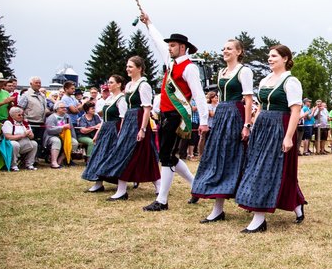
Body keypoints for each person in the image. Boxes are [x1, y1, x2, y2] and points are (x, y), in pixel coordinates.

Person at [139, 12, 209, 211]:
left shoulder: (189, 68)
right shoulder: (170, 62)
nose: (169, 48)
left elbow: (199, 95)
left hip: (178, 116)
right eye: (169, 45)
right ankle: (196, 186)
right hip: (166, 115)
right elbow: (157, 41)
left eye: (173, 45)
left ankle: (162, 200)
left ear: (182, 47)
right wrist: (149, 23)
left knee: (167, 156)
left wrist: (203, 120)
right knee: (167, 155)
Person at [236, 45, 306, 233]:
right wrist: (252, 125)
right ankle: (297, 205)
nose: (269, 59)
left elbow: (296, 110)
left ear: (285, 58)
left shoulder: (290, 81)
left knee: (266, 169)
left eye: (274, 56)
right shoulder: (266, 79)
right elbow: (260, 107)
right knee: (262, 167)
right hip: (263, 127)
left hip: (279, 126)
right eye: (269, 56)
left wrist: (289, 137)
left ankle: (259, 219)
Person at [192, 39, 253, 223]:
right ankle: (217, 209)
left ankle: (248, 199)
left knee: (235, 158)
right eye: (224, 48)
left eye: (229, 48)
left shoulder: (244, 71)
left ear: (239, 51)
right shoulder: (221, 72)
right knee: (219, 157)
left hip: (235, 115)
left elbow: (248, 100)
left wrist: (246, 125)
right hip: (221, 114)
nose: (225, 51)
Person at [99, 56, 160, 201]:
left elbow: (146, 109)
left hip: (139, 120)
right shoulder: (129, 85)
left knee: (141, 154)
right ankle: (123, 189)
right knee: (125, 152)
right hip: (129, 120)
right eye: (127, 66)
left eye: (131, 66)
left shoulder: (144, 85)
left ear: (139, 68)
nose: (128, 69)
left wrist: (143, 129)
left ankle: (157, 184)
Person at [82, 75, 127, 193]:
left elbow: (123, 119)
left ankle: (119, 182)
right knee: (98, 155)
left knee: (109, 156)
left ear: (119, 84)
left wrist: (121, 134)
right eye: (109, 82)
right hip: (105, 129)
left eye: (111, 82)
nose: (109, 85)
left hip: (114, 130)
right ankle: (98, 183)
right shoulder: (109, 98)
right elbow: (104, 119)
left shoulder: (121, 99)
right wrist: (97, 133)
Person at [44, 101, 79, 168]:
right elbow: (49, 130)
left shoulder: (67, 117)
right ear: (57, 109)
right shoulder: (51, 117)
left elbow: (71, 129)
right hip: (52, 136)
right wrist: (62, 127)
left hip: (65, 136)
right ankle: (53, 162)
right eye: (62, 107)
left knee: (74, 143)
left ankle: (60, 159)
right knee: (56, 141)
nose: (64, 109)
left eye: (65, 107)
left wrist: (74, 138)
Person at [2, 107, 38, 171]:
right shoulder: (8, 123)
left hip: (23, 143)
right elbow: (8, 137)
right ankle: (13, 165)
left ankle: (29, 164)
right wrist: (23, 135)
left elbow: (32, 137)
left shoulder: (25, 123)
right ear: (12, 115)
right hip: (10, 144)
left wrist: (30, 135)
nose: (21, 116)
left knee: (34, 143)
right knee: (14, 144)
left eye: (22, 115)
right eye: (19, 115)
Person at [0, 72, 13, 139]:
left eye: (2, 82)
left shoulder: (6, 93)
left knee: (5, 140)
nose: (2, 83)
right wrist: (4, 102)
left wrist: (10, 103)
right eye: (0, 82)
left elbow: (9, 106)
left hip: (4, 120)